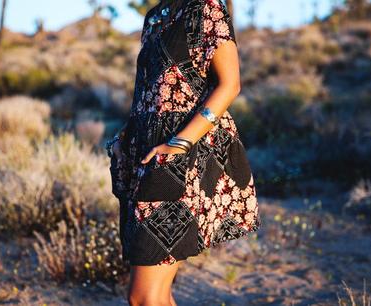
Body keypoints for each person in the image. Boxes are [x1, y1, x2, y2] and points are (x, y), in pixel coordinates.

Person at [105, 0, 261, 304]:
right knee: (156, 294)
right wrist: (126, 135)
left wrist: (180, 143)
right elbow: (153, 88)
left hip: (183, 156)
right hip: (148, 154)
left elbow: (230, 85)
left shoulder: (205, 7)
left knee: (142, 297)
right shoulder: (154, 17)